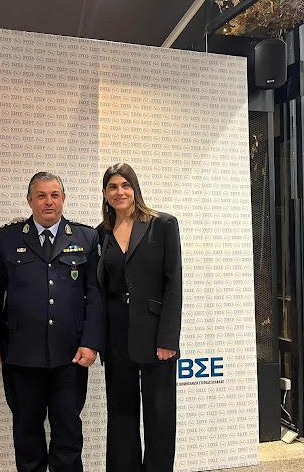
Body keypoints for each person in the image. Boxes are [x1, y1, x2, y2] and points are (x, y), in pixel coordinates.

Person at [0, 172, 105, 472]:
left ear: (64, 199)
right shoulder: (9, 237)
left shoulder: (86, 238)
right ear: (29, 200)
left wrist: (91, 342)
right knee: (27, 433)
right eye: (41, 195)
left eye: (54, 195)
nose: (48, 202)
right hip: (21, 354)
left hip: (70, 354)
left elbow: (95, 294)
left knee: (68, 432)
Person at [97, 163, 182, 472]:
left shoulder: (163, 225)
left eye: (125, 185)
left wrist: (168, 339)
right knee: (121, 413)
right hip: (115, 333)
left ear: (135, 189)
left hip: (155, 333)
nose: (119, 192)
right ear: (105, 193)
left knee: (160, 414)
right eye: (112, 187)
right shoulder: (100, 233)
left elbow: (174, 284)